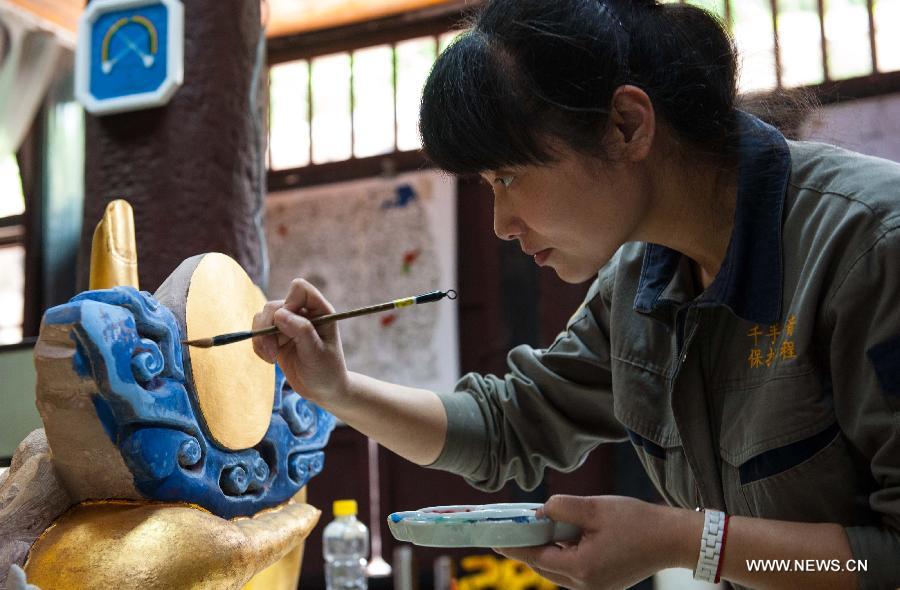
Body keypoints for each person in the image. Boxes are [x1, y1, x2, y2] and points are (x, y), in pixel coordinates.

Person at [253, 1, 900, 588]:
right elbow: (510, 426)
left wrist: (692, 542)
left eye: (508, 177)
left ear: (625, 125)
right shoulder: (641, 283)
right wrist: (335, 389)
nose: (501, 224)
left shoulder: (873, 247)